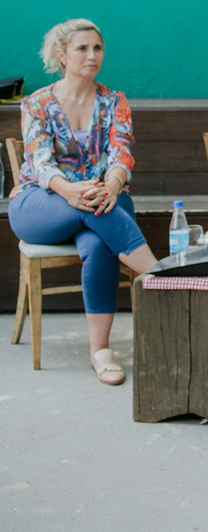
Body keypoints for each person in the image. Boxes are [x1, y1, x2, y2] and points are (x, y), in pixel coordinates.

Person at [8, 19, 161, 386]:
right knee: (99, 211)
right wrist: (71, 191)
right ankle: (162, 277)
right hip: (42, 203)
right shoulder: (37, 103)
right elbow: (41, 163)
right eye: (82, 48)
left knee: (99, 239)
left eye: (97, 48)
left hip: (100, 198)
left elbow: (122, 154)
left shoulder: (114, 101)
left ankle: (100, 352)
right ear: (61, 54)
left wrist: (111, 185)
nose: (92, 55)